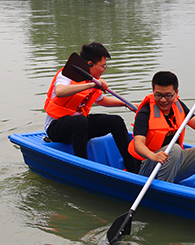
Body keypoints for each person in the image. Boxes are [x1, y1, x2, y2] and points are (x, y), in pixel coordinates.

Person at [44, 42, 141, 172]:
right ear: (90, 64)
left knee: (116, 121)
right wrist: (91, 85)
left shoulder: (93, 80)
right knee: (80, 121)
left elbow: (102, 100)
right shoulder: (66, 74)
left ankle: (133, 168)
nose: (104, 69)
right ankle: (83, 168)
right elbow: (60, 92)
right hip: (56, 128)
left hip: (79, 128)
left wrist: (126, 104)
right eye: (103, 66)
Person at [127, 71, 195, 193]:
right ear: (153, 91)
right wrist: (154, 156)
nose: (163, 100)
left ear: (176, 93)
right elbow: (138, 144)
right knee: (175, 149)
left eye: (168, 95)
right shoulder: (145, 112)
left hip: (172, 163)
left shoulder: (178, 105)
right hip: (147, 170)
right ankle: (163, 193)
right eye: (158, 95)